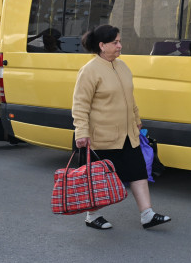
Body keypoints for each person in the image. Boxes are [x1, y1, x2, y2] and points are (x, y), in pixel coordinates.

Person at [72, 24, 170, 231]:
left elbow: (129, 98)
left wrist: (136, 119)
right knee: (100, 178)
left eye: (119, 41)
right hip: (103, 136)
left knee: (138, 172)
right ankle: (92, 215)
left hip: (128, 134)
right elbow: (80, 105)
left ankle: (147, 214)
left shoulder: (122, 66)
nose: (119, 46)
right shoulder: (89, 71)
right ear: (102, 45)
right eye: (115, 42)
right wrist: (81, 132)